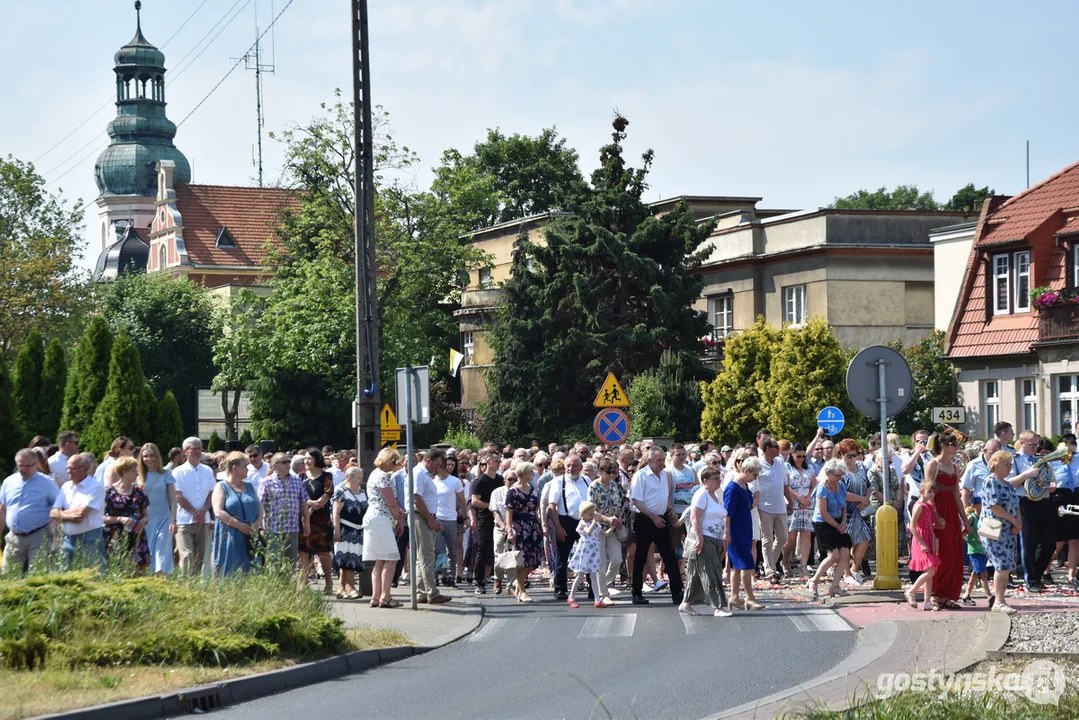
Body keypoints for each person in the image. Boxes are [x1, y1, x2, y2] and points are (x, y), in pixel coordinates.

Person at [630, 447, 685, 605]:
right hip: (645, 519)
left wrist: (669, 511)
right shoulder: (641, 476)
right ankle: (636, 592)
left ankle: (677, 592)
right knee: (640, 556)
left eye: (663, 460)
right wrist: (653, 517)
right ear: (650, 460)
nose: (662, 463)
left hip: (662, 518)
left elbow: (666, 496)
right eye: (659, 460)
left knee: (669, 555)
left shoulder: (665, 475)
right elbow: (636, 501)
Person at [922, 432, 968, 609]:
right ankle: (934, 593)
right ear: (944, 445)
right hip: (938, 510)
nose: (957, 448)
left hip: (951, 512)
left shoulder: (955, 467)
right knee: (943, 554)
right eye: (954, 444)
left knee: (955, 554)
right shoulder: (933, 465)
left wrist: (964, 518)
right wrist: (935, 515)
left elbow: (957, 494)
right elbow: (928, 492)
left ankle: (946, 595)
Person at [680, 467, 730, 618]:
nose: (719, 481)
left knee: (695, 573)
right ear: (706, 481)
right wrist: (700, 538)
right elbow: (695, 518)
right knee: (711, 571)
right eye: (715, 479)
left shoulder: (715, 495)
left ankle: (686, 603)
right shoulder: (701, 495)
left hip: (715, 538)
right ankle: (718, 606)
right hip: (704, 538)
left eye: (719, 478)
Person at [1, 448, 60, 572]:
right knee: (8, 575)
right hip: (14, 536)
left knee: (37, 575)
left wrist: (58, 537)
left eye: (28, 466)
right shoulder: (9, 482)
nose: (24, 469)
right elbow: (3, 509)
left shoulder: (47, 483)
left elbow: (57, 507)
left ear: (36, 464)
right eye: (21, 465)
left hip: (39, 535)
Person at [982, 451, 1025, 615]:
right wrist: (1014, 521)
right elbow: (994, 506)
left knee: (1006, 565)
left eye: (1010, 464)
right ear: (996, 465)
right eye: (1006, 464)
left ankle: (1000, 599)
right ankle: (998, 601)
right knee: (1001, 564)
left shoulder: (1007, 484)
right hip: (993, 527)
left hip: (1008, 530)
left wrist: (1018, 522)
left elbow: (1016, 503)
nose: (1009, 467)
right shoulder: (990, 482)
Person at [363, 448, 407, 608]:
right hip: (381, 520)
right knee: (392, 558)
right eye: (394, 462)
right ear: (388, 460)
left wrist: (398, 516)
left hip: (374, 519)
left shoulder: (374, 474)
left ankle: (376, 597)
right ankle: (386, 596)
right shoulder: (383, 477)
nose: (396, 465)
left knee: (379, 560)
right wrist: (400, 516)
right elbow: (391, 502)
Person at [50, 452, 106, 570]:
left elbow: (81, 514)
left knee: (95, 576)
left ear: (84, 469)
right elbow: (53, 512)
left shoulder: (95, 487)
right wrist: (69, 516)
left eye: (72, 468)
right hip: (68, 539)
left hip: (90, 539)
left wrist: (61, 514)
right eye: (67, 468)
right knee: (65, 577)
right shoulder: (66, 486)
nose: (68, 471)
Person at [212, 451, 263, 576]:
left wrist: (258, 522)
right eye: (245, 466)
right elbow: (218, 512)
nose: (248, 469)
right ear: (235, 468)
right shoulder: (221, 486)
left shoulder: (250, 486)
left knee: (253, 573)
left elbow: (260, 507)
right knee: (231, 573)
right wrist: (238, 525)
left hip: (251, 536)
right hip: (230, 536)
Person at [807, 459, 853, 599]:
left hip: (839, 521)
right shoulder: (822, 488)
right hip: (824, 523)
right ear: (828, 473)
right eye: (837, 475)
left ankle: (835, 586)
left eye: (841, 476)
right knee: (834, 556)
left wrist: (844, 522)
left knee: (845, 554)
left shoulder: (840, 486)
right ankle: (814, 580)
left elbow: (843, 505)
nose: (839, 478)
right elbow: (823, 512)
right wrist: (837, 525)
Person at [411, 449, 452, 604]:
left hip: (424, 516)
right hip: (420, 516)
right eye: (437, 465)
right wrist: (429, 519)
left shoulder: (424, 474)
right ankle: (432, 593)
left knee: (422, 558)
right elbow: (416, 498)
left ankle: (422, 593)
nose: (438, 468)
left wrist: (433, 518)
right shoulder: (419, 474)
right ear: (428, 461)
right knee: (427, 557)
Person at [724, 456, 764, 610]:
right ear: (746, 471)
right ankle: (750, 598)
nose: (755, 478)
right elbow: (727, 513)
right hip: (736, 532)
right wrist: (727, 532)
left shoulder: (744, 486)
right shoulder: (733, 488)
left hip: (745, 530)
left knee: (738, 566)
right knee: (747, 564)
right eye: (754, 475)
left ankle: (734, 597)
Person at [258, 452, 310, 569]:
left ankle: (288, 586)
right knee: (274, 562)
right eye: (284, 462)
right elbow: (260, 505)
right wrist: (261, 526)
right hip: (273, 529)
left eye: (288, 462)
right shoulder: (267, 482)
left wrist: (307, 524)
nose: (288, 465)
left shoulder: (297, 481)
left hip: (292, 528)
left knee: (291, 562)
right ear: (275, 465)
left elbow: (304, 504)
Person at [589, 457, 630, 597]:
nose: (613, 475)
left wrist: (618, 518)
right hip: (599, 527)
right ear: (600, 471)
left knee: (617, 559)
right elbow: (590, 510)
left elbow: (618, 504)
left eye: (614, 472)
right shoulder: (593, 486)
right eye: (609, 472)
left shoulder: (614, 485)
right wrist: (607, 518)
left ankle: (602, 584)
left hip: (613, 528)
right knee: (601, 562)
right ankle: (603, 594)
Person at [103, 456, 151, 573]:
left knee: (137, 572)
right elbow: (102, 517)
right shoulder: (109, 493)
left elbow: (146, 515)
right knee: (115, 570)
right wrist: (119, 519)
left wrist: (143, 521)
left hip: (136, 537)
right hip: (115, 537)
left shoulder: (139, 492)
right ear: (124, 471)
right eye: (134, 470)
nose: (137, 473)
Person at [835, 439, 872, 584]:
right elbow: (842, 492)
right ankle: (846, 574)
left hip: (860, 510)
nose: (852, 458)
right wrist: (862, 499)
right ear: (841, 454)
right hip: (845, 511)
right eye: (848, 455)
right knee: (846, 543)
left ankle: (855, 568)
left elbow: (868, 485)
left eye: (854, 455)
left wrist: (866, 499)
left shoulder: (861, 466)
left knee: (864, 539)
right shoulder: (839, 470)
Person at [504, 461, 542, 603]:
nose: (533, 474)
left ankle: (516, 583)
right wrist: (509, 530)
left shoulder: (532, 489)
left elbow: (536, 508)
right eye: (531, 472)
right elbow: (509, 512)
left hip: (533, 526)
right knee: (522, 561)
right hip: (519, 526)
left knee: (534, 561)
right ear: (524, 473)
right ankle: (522, 591)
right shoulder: (512, 491)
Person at [137, 443, 176, 575]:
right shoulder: (138, 476)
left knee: (161, 547)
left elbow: (173, 499)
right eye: (145, 456)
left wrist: (174, 520)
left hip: (164, 517)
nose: (149, 459)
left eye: (152, 455)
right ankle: (149, 574)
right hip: (145, 519)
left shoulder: (166, 474)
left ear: (157, 456)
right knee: (148, 548)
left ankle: (160, 573)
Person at [757, 439, 791, 582]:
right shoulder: (758, 465)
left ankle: (768, 564)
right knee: (767, 539)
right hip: (764, 507)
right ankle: (770, 570)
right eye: (776, 447)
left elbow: (785, 484)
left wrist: (790, 501)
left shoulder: (780, 463)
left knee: (783, 538)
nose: (779, 449)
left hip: (780, 506)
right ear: (767, 449)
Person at [904, 478, 941, 610]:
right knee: (930, 570)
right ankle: (911, 591)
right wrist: (922, 543)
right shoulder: (919, 506)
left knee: (929, 571)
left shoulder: (928, 506)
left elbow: (929, 524)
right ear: (922, 491)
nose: (932, 495)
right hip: (921, 540)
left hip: (927, 539)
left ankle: (927, 602)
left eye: (933, 492)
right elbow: (912, 526)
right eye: (929, 491)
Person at [470, 451, 503, 596]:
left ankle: (493, 577)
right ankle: (478, 581)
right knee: (482, 549)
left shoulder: (500, 479)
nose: (498, 464)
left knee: (495, 549)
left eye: (499, 461)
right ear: (488, 462)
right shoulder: (480, 481)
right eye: (496, 461)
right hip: (485, 519)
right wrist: (491, 506)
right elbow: (474, 501)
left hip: (498, 519)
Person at [332, 466, 368, 599]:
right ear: (349, 478)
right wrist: (336, 531)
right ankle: (351, 588)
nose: (361, 480)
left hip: (358, 531)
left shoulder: (362, 492)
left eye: (361, 478)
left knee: (353, 560)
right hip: (345, 530)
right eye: (358, 478)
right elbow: (335, 512)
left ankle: (341, 588)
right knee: (346, 561)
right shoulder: (341, 491)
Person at [433, 454, 465, 587]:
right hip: (437, 518)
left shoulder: (455, 481)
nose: (437, 469)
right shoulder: (433, 481)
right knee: (439, 550)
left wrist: (465, 516)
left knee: (452, 550)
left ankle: (451, 576)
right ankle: (439, 575)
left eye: (439, 466)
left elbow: (462, 500)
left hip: (451, 519)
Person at [782, 443, 816, 576]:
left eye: (803, 456)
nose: (801, 459)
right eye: (798, 456)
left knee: (806, 535)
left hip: (807, 504)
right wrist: (799, 499)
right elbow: (787, 486)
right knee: (791, 536)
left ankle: (804, 565)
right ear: (792, 454)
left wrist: (807, 498)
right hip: (793, 503)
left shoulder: (810, 468)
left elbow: (813, 485)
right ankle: (784, 561)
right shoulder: (786, 467)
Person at [567, 501, 607, 608]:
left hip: (593, 551)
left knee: (593, 575)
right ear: (583, 514)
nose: (592, 515)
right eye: (589, 514)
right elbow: (588, 531)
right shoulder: (582, 523)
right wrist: (594, 521)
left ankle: (597, 599)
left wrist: (613, 526)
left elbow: (605, 533)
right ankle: (571, 597)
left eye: (593, 513)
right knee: (580, 574)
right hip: (585, 550)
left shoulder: (596, 525)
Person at [1052, 433, 1079, 591]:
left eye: (1073, 452)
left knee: (1075, 539)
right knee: (1058, 540)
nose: (1070, 455)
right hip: (1058, 497)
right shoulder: (1053, 462)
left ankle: (1071, 575)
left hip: (1075, 495)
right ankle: (1046, 569)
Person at [962, 501, 992, 606]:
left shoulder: (985, 518)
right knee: (983, 574)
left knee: (975, 574)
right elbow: (962, 533)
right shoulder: (972, 518)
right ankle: (990, 597)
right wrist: (967, 531)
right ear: (974, 505)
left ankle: (966, 595)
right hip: (974, 550)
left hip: (983, 550)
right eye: (980, 503)